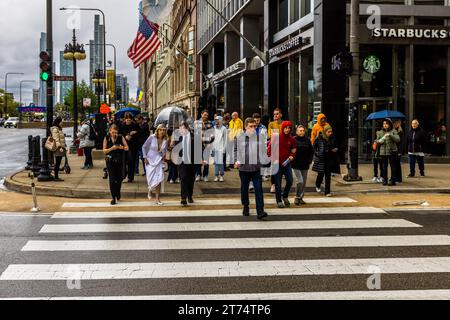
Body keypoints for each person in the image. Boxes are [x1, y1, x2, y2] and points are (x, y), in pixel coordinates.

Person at [235, 118, 268, 220]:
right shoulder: (240, 137)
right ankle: (245, 206)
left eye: (254, 126)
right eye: (251, 126)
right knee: (244, 189)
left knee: (258, 189)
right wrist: (236, 160)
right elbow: (235, 150)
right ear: (245, 127)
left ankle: (260, 211)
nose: (253, 128)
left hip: (256, 168)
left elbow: (263, 151)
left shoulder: (260, 137)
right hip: (244, 169)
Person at [268, 121, 296, 208]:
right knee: (278, 184)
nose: (287, 130)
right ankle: (279, 200)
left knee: (290, 181)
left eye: (289, 128)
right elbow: (269, 150)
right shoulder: (276, 137)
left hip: (286, 163)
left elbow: (293, 150)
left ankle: (285, 196)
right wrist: (273, 159)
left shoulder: (292, 139)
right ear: (282, 128)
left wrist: (291, 156)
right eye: (285, 128)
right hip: (277, 164)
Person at [103, 124, 129, 205]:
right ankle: (113, 197)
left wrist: (121, 147)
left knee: (119, 179)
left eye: (116, 132)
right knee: (112, 179)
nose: (114, 134)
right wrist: (112, 148)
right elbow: (104, 151)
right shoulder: (106, 138)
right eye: (113, 132)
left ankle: (118, 192)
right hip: (110, 161)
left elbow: (127, 148)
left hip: (120, 161)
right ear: (110, 131)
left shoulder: (121, 137)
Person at [143, 124, 168, 205]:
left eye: (164, 130)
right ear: (158, 130)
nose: (163, 131)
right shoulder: (152, 137)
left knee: (159, 179)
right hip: (150, 160)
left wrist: (164, 160)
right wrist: (145, 157)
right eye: (161, 130)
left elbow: (164, 152)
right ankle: (150, 189)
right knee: (151, 179)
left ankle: (157, 199)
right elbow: (144, 147)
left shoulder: (165, 140)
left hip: (159, 161)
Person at [312, 125, 339, 197]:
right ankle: (317, 185)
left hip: (329, 159)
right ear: (325, 132)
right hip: (321, 159)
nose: (330, 133)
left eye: (331, 132)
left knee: (328, 176)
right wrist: (317, 154)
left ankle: (327, 191)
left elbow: (335, 146)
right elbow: (314, 147)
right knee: (320, 174)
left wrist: (335, 149)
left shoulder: (332, 138)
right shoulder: (319, 138)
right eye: (328, 132)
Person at [291, 125, 314, 205]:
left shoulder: (307, 140)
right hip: (296, 164)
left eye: (303, 130)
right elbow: (290, 151)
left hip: (305, 165)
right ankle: (297, 197)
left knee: (303, 183)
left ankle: (301, 198)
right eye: (300, 130)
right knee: (300, 180)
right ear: (297, 132)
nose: (302, 132)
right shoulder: (293, 140)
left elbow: (311, 151)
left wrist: (310, 160)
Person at [176, 122, 196, 206]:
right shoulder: (178, 137)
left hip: (192, 162)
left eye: (182, 128)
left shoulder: (194, 137)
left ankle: (190, 195)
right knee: (183, 178)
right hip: (182, 162)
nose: (180, 129)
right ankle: (183, 197)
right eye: (180, 128)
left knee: (191, 179)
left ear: (187, 128)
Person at [376, 119, 400, 186]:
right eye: (384, 124)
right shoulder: (380, 132)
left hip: (392, 151)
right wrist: (382, 139)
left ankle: (392, 180)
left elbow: (398, 139)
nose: (385, 125)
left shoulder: (394, 131)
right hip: (383, 152)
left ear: (389, 124)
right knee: (384, 167)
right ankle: (385, 180)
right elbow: (377, 142)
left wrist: (390, 135)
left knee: (393, 167)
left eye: (386, 124)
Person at [119, 113, 140, 183]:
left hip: (133, 146)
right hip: (124, 146)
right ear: (124, 119)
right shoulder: (121, 125)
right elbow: (119, 134)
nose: (128, 121)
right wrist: (125, 136)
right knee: (124, 161)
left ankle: (130, 177)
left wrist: (135, 133)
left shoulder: (135, 125)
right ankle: (124, 175)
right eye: (127, 119)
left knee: (132, 162)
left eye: (129, 119)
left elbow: (140, 133)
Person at [195, 110, 214, 182]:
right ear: (201, 114)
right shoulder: (196, 122)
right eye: (204, 114)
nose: (206, 116)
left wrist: (210, 144)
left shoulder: (210, 123)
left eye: (207, 115)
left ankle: (205, 175)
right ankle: (198, 174)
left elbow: (212, 134)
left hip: (207, 145)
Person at [268, 108, 283, 193]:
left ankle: (279, 185)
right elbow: (270, 135)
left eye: (277, 114)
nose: (275, 116)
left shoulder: (284, 124)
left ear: (281, 115)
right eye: (274, 114)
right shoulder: (271, 124)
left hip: (283, 149)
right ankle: (273, 184)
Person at [51, 117, 67, 182]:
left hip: (61, 147)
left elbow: (61, 139)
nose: (62, 123)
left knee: (58, 162)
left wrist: (64, 145)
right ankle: (56, 177)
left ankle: (56, 176)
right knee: (57, 163)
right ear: (58, 122)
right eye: (61, 122)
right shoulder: (55, 129)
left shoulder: (59, 129)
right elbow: (56, 139)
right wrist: (60, 147)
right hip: (58, 148)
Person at [213, 115, 227, 182]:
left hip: (221, 148)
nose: (216, 121)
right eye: (215, 120)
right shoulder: (214, 128)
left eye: (217, 120)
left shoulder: (224, 129)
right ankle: (216, 176)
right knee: (216, 163)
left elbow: (226, 139)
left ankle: (221, 176)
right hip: (215, 148)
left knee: (220, 163)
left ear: (220, 120)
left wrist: (224, 149)